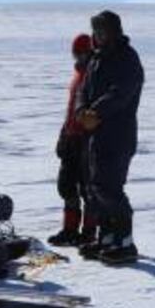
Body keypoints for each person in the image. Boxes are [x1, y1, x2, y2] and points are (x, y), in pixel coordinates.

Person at [75, 10, 144, 265]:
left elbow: (121, 92)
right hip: (95, 133)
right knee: (95, 187)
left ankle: (125, 242)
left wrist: (97, 111)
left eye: (103, 31)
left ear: (115, 31)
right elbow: (83, 89)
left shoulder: (127, 58)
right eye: (96, 31)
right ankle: (106, 237)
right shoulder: (95, 59)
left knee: (110, 187)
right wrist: (82, 110)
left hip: (118, 133)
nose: (98, 36)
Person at [47, 33, 97, 247]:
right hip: (71, 137)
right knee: (66, 185)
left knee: (88, 188)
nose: (78, 57)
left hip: (87, 139)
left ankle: (88, 233)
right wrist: (64, 133)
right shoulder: (78, 74)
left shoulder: (95, 74)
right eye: (75, 53)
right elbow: (71, 109)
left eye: (82, 53)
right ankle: (70, 230)